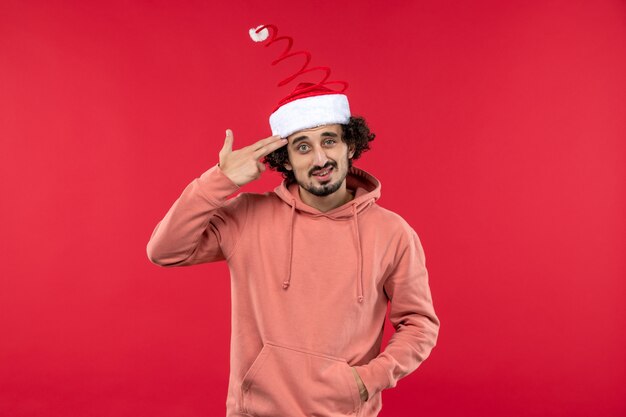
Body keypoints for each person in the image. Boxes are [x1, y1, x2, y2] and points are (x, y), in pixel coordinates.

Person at [147, 25, 439, 417]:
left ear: (350, 144)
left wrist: (367, 380)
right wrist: (220, 181)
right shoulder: (248, 216)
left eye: (329, 141)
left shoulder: (393, 233)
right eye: (303, 147)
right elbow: (164, 251)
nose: (319, 159)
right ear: (286, 159)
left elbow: (420, 324)